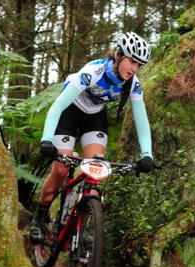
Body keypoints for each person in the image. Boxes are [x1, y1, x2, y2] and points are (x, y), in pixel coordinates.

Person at [30, 32, 154, 242]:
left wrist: (147, 154)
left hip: (94, 117)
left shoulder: (133, 83)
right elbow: (58, 106)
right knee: (60, 169)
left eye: (139, 65)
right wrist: (47, 139)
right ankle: (40, 217)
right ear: (118, 55)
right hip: (69, 112)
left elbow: (142, 121)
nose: (134, 68)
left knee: (96, 172)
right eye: (132, 61)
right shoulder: (92, 72)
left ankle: (86, 227)